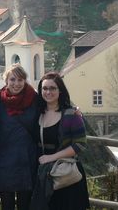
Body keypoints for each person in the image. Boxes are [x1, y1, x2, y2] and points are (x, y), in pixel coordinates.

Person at [33, 72, 90, 210]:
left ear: (60, 90)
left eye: (53, 88)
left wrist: (51, 157)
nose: (48, 92)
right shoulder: (37, 112)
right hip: (46, 175)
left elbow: (80, 145)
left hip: (66, 175)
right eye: (45, 88)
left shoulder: (71, 115)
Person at [0, 64, 39, 210]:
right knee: (6, 206)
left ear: (25, 81)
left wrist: (73, 111)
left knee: (24, 205)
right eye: (12, 79)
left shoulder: (34, 98)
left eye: (20, 80)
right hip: (4, 162)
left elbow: (54, 106)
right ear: (6, 80)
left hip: (27, 160)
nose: (16, 83)